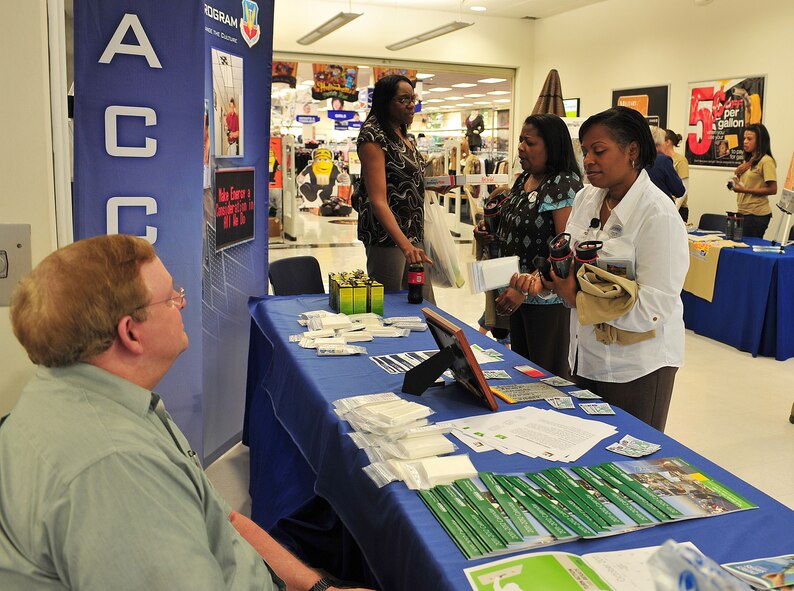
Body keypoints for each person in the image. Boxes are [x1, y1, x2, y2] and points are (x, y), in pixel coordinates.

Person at [0, 234, 371, 591]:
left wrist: (317, 586)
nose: (183, 303)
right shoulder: (114, 467)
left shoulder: (101, 399)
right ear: (130, 332)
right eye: (170, 298)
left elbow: (221, 519)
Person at [516, 106, 688, 431]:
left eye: (599, 151)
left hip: (637, 367)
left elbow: (656, 305)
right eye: (585, 152)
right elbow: (568, 258)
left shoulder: (657, 215)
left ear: (632, 151)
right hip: (585, 355)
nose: (589, 160)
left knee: (627, 465)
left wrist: (580, 299)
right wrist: (549, 281)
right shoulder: (587, 198)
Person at [477, 114, 583, 379]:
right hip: (516, 294)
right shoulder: (523, 179)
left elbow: (563, 249)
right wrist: (488, 234)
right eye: (521, 140)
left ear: (552, 146)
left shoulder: (563, 184)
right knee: (524, 371)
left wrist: (526, 288)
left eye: (530, 142)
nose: (521, 147)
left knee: (547, 376)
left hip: (546, 300)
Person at [353, 74, 435, 303]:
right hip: (387, 238)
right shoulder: (373, 136)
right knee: (391, 305)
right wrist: (405, 246)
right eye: (404, 99)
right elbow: (378, 199)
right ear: (385, 102)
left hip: (412, 231)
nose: (412, 105)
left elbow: (405, 178)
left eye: (414, 99)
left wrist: (434, 186)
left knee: (420, 300)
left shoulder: (401, 132)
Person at [730, 123, 777, 238]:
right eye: (744, 138)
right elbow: (742, 184)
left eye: (749, 139)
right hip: (742, 211)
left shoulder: (766, 161)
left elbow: (773, 189)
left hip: (756, 214)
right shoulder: (748, 160)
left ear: (760, 141)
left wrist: (745, 190)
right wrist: (736, 176)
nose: (745, 141)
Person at [647, 126, 686, 202]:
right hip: (660, 208)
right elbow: (679, 191)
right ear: (660, 142)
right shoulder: (663, 160)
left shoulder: (636, 159)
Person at [662, 129, 690, 222]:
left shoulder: (681, 160)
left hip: (678, 208)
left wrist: (675, 208)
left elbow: (685, 187)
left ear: (668, 142)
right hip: (664, 206)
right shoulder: (660, 159)